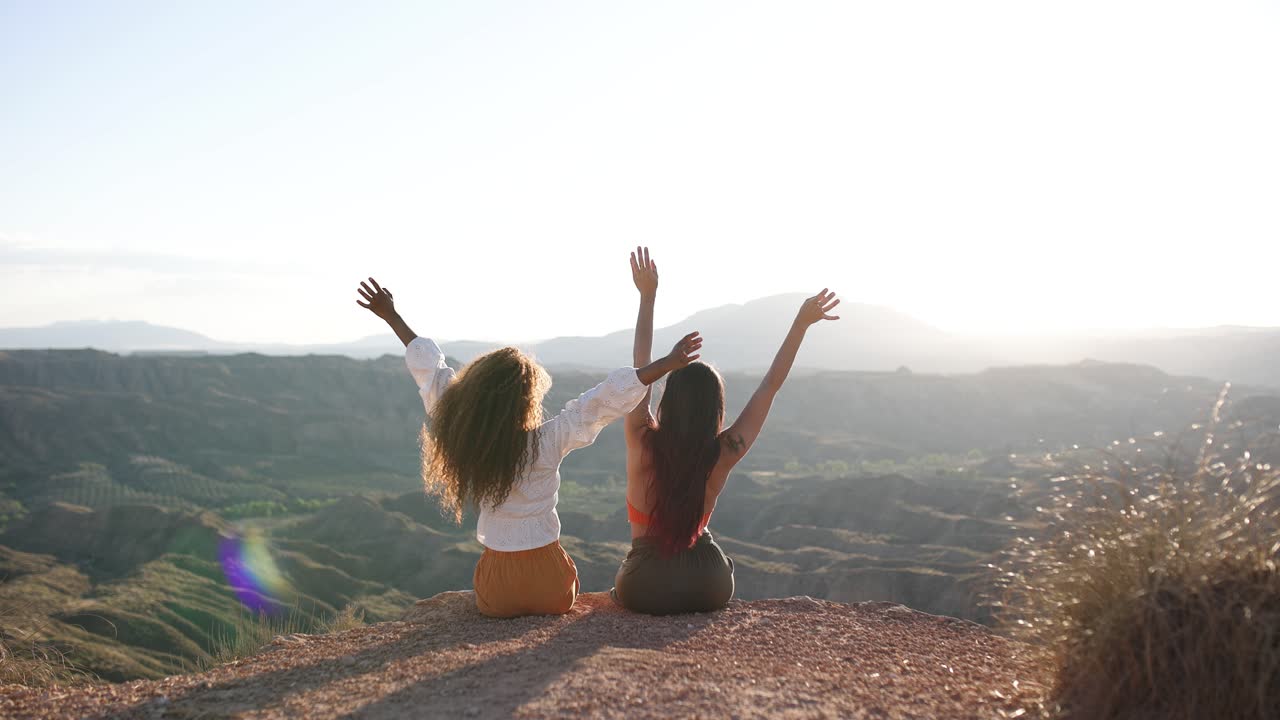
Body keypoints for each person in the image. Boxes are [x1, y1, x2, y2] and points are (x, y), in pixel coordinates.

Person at [356, 276, 702, 617]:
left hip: (497, 590)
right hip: (551, 585)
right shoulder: (547, 441)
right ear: (527, 400)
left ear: (475, 395)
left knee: (491, 593)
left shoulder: (468, 435)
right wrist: (667, 365)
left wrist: (391, 316)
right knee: (565, 582)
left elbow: (433, 373)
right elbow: (601, 401)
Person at [612, 249, 841, 614]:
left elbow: (639, 370)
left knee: (621, 586)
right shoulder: (725, 451)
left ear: (668, 402)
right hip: (710, 583)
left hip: (646, 585)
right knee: (719, 557)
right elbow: (769, 387)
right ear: (714, 411)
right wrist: (800, 324)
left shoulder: (641, 439)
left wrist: (648, 297)